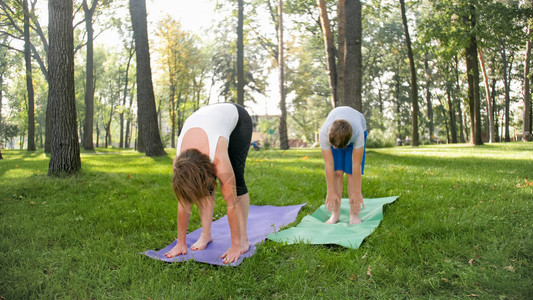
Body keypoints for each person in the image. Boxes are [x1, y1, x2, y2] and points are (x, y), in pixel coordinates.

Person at [164, 103, 252, 264]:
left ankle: (244, 238)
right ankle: (206, 235)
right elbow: (183, 202)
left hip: (238, 120)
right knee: (197, 186)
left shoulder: (218, 157)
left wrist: (235, 245)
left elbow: (231, 204)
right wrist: (181, 243)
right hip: (207, 121)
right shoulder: (178, 161)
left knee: (236, 181)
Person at [319, 106, 367, 225]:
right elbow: (329, 165)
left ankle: (354, 215)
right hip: (335, 135)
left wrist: (357, 192)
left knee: (350, 173)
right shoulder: (324, 134)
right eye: (332, 145)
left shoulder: (358, 134)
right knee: (337, 173)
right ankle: (335, 214)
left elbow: (356, 165)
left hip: (354, 132)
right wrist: (330, 191)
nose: (334, 148)